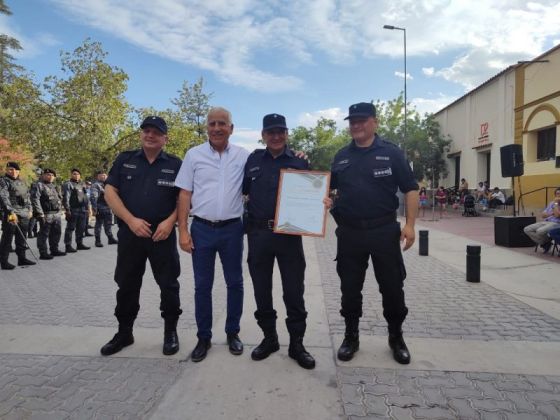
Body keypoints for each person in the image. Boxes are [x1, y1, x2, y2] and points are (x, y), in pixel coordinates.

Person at [328, 102, 418, 365]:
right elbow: (325, 188)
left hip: (384, 232)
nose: (356, 125)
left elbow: (411, 188)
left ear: (374, 122)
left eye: (362, 120)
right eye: (352, 121)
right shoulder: (341, 156)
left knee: (392, 287)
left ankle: (396, 337)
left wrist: (410, 225)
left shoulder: (391, 153)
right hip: (349, 233)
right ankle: (351, 336)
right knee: (349, 288)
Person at [100, 116, 183, 356]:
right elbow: (110, 191)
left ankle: (170, 332)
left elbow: (184, 198)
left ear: (165, 138)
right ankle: (124, 333)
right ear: (141, 135)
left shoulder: (176, 164)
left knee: (168, 285)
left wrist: (170, 222)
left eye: (156, 132)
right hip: (131, 234)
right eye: (146, 131)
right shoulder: (125, 160)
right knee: (126, 284)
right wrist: (130, 220)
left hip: (162, 235)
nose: (150, 135)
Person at [242, 113, 316, 369]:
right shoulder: (251, 161)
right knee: (262, 291)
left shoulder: (300, 161)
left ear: (287, 133)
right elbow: (242, 192)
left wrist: (321, 204)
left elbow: (312, 196)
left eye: (280, 131)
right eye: (270, 132)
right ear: (263, 135)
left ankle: (297, 343)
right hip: (259, 235)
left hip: (289, 236)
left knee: (294, 292)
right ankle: (269, 338)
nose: (275, 136)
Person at [175, 107, 247, 362]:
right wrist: (183, 230)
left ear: (231, 128)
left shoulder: (242, 156)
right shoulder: (193, 155)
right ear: (207, 127)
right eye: (212, 124)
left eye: (222, 124)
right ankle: (203, 337)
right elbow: (184, 193)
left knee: (235, 283)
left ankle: (232, 332)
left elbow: (266, 178)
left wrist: (298, 159)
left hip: (232, 230)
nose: (217, 128)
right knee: (202, 286)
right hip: (202, 229)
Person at [0, 162, 36, 269]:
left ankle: (22, 259)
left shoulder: (22, 182)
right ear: (6, 170)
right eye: (10, 169)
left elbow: (28, 197)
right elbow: (4, 198)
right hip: (11, 213)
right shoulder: (3, 181)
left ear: (19, 171)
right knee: (7, 238)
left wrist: (30, 209)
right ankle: (4, 262)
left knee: (22, 237)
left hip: (24, 213)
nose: (13, 172)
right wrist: (11, 212)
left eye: (16, 170)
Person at [30, 168, 66, 260]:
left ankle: (54, 250)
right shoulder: (39, 185)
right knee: (43, 234)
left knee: (56, 233)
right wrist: (40, 214)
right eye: (48, 175)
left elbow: (58, 198)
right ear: (43, 175)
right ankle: (43, 253)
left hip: (56, 214)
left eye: (52, 175)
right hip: (46, 214)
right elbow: (35, 199)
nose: (50, 177)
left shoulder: (53, 186)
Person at [62, 168, 91, 252]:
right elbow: (66, 198)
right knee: (70, 228)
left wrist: (88, 208)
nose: (76, 175)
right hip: (73, 209)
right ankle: (68, 245)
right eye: (74, 174)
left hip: (82, 209)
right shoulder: (68, 184)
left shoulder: (82, 184)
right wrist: (67, 210)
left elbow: (86, 197)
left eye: (78, 174)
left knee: (81, 228)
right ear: (71, 174)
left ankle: (79, 244)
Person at [523, 187, 560, 253]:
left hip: (556, 224)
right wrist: (551, 213)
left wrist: (556, 204)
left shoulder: (555, 203)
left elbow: (557, 215)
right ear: (555, 195)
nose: (558, 195)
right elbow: (543, 215)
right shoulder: (551, 203)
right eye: (557, 194)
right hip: (546, 221)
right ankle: (545, 243)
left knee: (539, 231)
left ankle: (546, 242)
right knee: (527, 229)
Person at [91, 170, 118, 247]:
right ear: (97, 176)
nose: (103, 177)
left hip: (108, 207)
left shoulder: (108, 184)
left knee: (108, 224)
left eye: (104, 175)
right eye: (101, 175)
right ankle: (97, 240)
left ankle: (110, 238)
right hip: (100, 208)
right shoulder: (96, 185)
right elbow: (93, 197)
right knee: (99, 225)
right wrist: (95, 209)